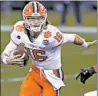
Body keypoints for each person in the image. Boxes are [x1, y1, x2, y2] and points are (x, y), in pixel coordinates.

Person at [1, 1, 97, 96]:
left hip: (52, 75)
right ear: (25, 19)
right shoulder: (19, 29)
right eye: (32, 18)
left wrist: (85, 44)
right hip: (35, 72)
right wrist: (6, 60)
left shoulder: (51, 34)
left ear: (44, 18)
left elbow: (72, 37)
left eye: (39, 18)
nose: (35, 22)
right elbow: (9, 48)